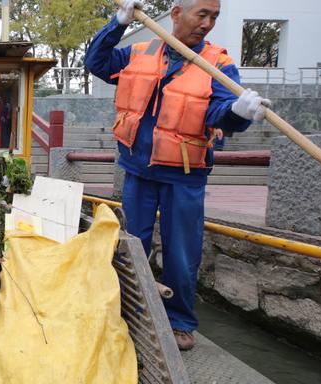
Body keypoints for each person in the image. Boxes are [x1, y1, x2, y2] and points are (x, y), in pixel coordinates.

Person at [85, 0, 270, 350]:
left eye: (214, 16)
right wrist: (117, 23)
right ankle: (126, 311)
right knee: (130, 245)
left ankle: (179, 322)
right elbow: (96, 62)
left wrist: (238, 111)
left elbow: (221, 113)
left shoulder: (220, 64)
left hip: (185, 173)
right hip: (138, 168)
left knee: (182, 252)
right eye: (202, 14)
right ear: (176, 14)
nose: (208, 23)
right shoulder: (141, 49)